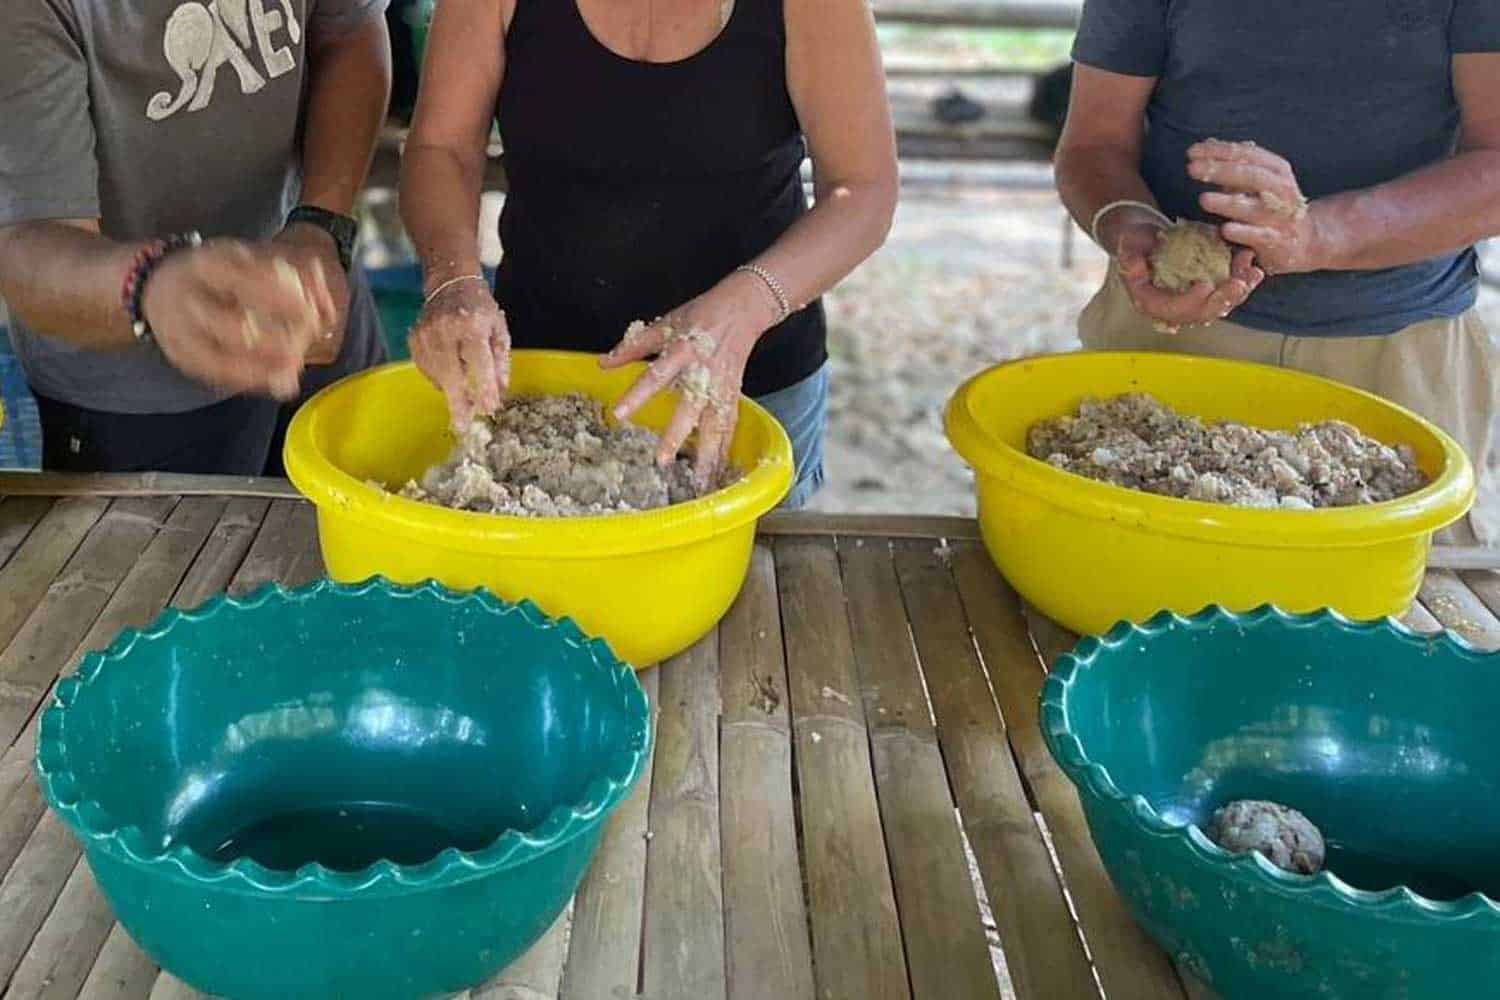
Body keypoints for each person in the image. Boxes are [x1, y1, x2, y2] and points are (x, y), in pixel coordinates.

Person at [399, 0, 899, 507]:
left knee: (753, 559)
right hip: (544, 382)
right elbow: (442, 148)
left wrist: (749, 303)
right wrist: (452, 280)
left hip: (749, 384)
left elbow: (863, 190)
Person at [1055, 1, 1500, 544]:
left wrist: (1321, 234)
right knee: (1129, 572)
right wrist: (1137, 234)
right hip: (1169, 347)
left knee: (1397, 588)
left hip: (1397, 357)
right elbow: (1094, 144)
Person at [0, 0, 394, 476]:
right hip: (134, 389)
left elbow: (348, 32)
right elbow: (27, 243)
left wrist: (321, 223)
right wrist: (149, 287)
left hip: (316, 285)